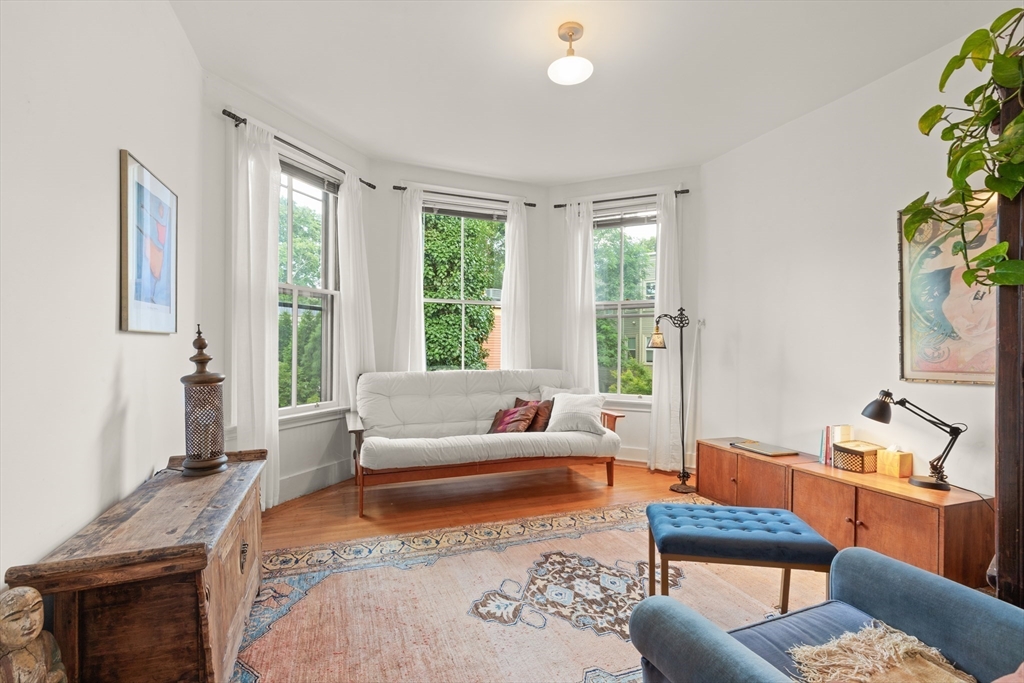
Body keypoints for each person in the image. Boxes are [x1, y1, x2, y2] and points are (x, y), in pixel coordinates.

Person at [0, 587, 66, 683]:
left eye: (35, 609)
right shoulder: (3, 658)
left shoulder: (47, 639)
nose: (30, 623)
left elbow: (58, 664)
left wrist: (57, 675)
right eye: (16, 618)